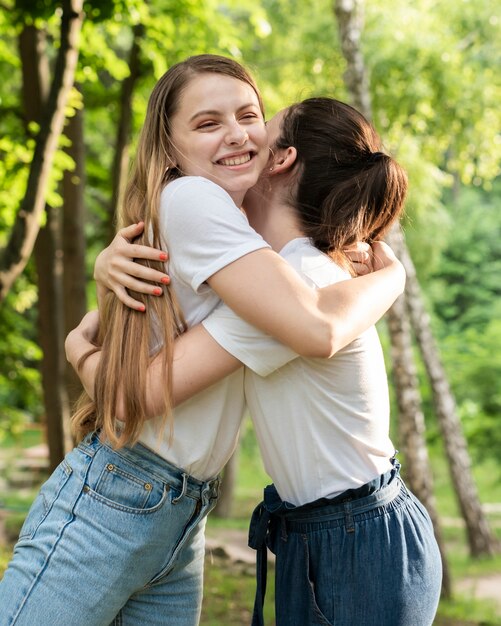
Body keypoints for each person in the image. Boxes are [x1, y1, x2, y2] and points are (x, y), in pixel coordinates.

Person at [0, 56, 405, 626]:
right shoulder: (194, 198)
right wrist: (394, 276)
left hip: (181, 511)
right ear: (169, 149)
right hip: (118, 493)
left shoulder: (251, 233)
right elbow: (318, 326)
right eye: (207, 123)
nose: (237, 135)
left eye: (247, 115)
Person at [82, 98, 442, 626]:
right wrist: (108, 262)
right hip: (336, 531)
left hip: (355, 540)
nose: (242, 144)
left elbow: (132, 393)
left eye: (260, 131)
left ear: (280, 161)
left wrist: (77, 350)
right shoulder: (280, 279)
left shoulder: (297, 289)